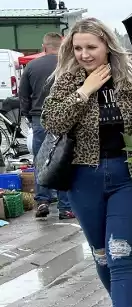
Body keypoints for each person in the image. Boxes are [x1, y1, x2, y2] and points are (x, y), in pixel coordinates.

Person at [41, 18, 132, 307]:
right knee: (100, 253)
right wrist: (85, 92)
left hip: (127, 177)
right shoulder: (67, 80)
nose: (84, 54)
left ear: (107, 47)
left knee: (121, 253)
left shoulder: (130, 80)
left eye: (91, 48)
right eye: (78, 48)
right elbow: (52, 122)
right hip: (83, 179)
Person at [19, 32, 74, 220]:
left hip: (39, 118)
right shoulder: (68, 65)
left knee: (41, 160)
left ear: (44, 47)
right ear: (62, 46)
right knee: (62, 160)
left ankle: (42, 200)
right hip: (64, 118)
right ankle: (66, 207)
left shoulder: (31, 66)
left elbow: (23, 96)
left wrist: (29, 116)